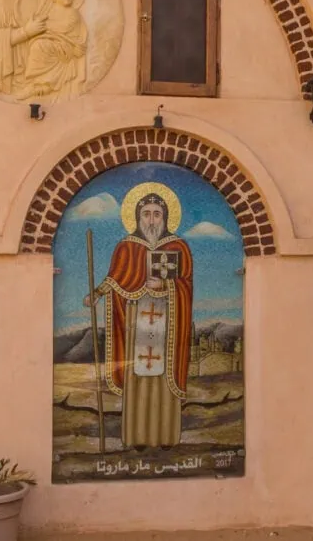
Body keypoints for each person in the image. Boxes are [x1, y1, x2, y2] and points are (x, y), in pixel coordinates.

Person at [85, 191, 193, 450]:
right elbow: (116, 278)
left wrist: (167, 284)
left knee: (162, 380)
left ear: (166, 217)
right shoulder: (127, 246)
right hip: (136, 326)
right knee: (138, 376)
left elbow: (186, 285)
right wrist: (97, 293)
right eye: (147, 214)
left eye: (157, 214)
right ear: (137, 217)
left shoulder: (178, 247)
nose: (152, 219)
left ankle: (166, 437)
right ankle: (137, 438)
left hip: (167, 327)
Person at [18, 0, 88, 100]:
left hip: (66, 46)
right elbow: (42, 24)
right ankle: (36, 83)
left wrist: (44, 27)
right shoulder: (50, 11)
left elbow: (64, 28)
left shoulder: (73, 13)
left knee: (39, 45)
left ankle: (41, 86)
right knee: (34, 45)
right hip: (52, 42)